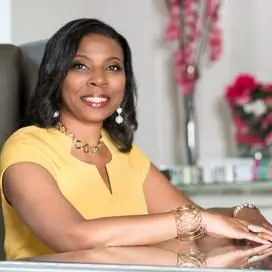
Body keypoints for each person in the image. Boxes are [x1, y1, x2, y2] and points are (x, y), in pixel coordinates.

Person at [0, 18, 272, 260]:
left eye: (113, 68)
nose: (99, 80)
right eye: (80, 66)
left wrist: (243, 214)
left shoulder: (125, 153)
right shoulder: (26, 148)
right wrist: (197, 220)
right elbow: (72, 237)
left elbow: (201, 227)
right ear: (56, 75)